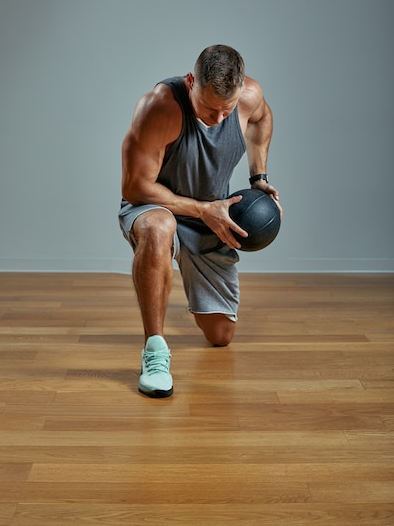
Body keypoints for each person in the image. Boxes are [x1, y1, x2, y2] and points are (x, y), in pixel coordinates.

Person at [119, 45, 281, 398]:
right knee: (160, 228)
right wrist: (200, 209)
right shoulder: (160, 108)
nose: (219, 119)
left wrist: (259, 177)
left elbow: (262, 117)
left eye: (228, 109)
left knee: (220, 337)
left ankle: (172, 270)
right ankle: (155, 351)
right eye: (209, 108)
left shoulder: (249, 97)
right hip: (153, 206)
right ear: (191, 81)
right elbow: (135, 187)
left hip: (212, 216)